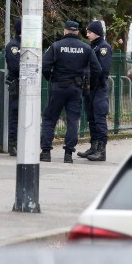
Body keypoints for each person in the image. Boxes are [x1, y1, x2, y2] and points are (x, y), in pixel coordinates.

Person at [40, 20, 102, 163]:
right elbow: (97, 69)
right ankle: (68, 154)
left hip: (58, 86)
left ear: (65, 31)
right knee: (73, 120)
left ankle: (46, 152)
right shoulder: (85, 48)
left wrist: (49, 78)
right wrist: (91, 85)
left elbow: (45, 66)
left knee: (50, 118)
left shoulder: (56, 46)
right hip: (76, 88)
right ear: (77, 32)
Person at [78, 21, 112, 162]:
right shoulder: (92, 46)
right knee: (91, 118)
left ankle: (101, 150)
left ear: (96, 32)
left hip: (98, 88)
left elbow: (103, 70)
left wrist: (92, 83)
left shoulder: (103, 47)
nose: (87, 34)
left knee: (99, 118)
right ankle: (94, 146)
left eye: (89, 32)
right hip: (90, 88)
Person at [4, 18, 21, 156]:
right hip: (17, 83)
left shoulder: (29, 44)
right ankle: (13, 144)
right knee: (15, 113)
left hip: (29, 84)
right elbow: (15, 67)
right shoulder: (14, 46)